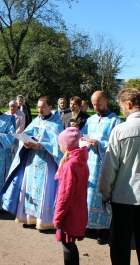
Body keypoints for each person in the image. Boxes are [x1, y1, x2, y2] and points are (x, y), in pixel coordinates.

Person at [1, 96, 63, 230]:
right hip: (32, 161)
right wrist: (25, 142)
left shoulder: (56, 124)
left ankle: (42, 221)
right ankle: (28, 218)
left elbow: (59, 146)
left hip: (47, 163)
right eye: (38, 107)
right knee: (28, 188)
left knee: (45, 190)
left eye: (43, 107)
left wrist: (41, 145)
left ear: (50, 107)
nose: (40, 110)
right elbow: (26, 133)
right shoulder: (36, 120)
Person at [100, 88, 140, 265]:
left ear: (129, 104)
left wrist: (105, 192)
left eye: (122, 106)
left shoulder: (120, 130)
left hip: (124, 196)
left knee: (120, 246)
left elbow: (109, 168)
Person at [81, 90, 121, 245]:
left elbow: (115, 145)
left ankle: (103, 231)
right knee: (87, 196)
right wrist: (84, 141)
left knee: (102, 195)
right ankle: (88, 226)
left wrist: (99, 144)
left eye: (98, 103)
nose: (95, 106)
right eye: (93, 104)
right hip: (89, 164)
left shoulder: (115, 121)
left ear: (106, 101)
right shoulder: (90, 120)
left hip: (104, 165)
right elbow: (82, 136)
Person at [53, 127, 89, 265]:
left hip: (69, 213)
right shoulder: (81, 161)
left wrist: (58, 217)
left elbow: (65, 195)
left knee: (67, 244)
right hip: (78, 209)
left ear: (66, 145)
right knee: (71, 244)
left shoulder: (70, 165)